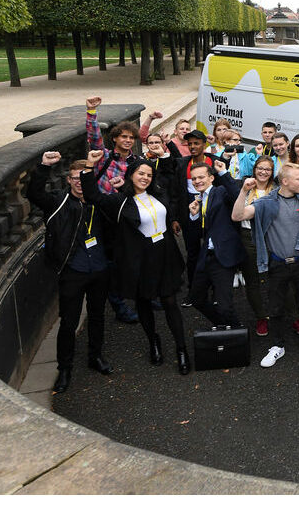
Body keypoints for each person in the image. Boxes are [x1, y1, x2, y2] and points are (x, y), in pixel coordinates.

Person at [82, 152, 191, 374]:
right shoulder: (120, 201)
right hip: (142, 258)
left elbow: (168, 213)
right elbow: (94, 196)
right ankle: (153, 342)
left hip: (165, 253)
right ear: (131, 174)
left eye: (149, 174)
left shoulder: (158, 194)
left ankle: (182, 350)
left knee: (170, 302)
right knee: (144, 302)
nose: (145, 178)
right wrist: (89, 167)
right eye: (141, 173)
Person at [231, 162, 299, 367]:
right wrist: (244, 190)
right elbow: (237, 216)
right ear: (285, 181)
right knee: (276, 307)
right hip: (277, 264)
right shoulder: (267, 203)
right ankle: (277, 346)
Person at [26, 151, 114, 392]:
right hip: (72, 270)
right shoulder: (58, 201)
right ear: (68, 180)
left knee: (97, 316)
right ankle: (64, 369)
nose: (79, 181)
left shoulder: (98, 200)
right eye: (74, 177)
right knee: (69, 322)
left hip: (99, 268)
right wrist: (43, 166)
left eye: (83, 177)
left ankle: (95, 356)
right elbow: (34, 194)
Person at [83, 95, 148, 323]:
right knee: (110, 263)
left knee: (132, 258)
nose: (128, 140)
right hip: (103, 216)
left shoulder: (137, 162)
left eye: (132, 137)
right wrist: (92, 112)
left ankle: (144, 297)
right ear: (116, 138)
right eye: (124, 136)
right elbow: (93, 139)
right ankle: (119, 306)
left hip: (126, 216)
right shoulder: (105, 158)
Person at [175, 155, 244, 330]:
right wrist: (194, 216)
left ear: (211, 178)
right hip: (206, 255)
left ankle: (237, 335)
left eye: (201, 177)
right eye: (194, 178)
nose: (197, 181)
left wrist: (224, 173)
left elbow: (237, 196)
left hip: (223, 256)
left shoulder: (220, 191)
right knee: (196, 298)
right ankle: (223, 325)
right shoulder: (199, 199)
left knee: (225, 306)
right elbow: (202, 230)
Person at [237, 156, 277, 336]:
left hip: (271, 237)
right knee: (252, 280)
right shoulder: (245, 187)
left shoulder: (276, 190)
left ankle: (284, 315)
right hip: (248, 237)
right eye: (260, 168)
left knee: (276, 278)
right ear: (254, 169)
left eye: (267, 169)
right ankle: (261, 317)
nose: (263, 172)